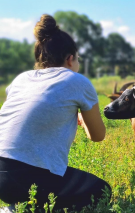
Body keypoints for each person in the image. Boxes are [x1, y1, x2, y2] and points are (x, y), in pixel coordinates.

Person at [0, 14, 110, 212]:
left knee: (28, 186)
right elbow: (98, 136)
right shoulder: (77, 81)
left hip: (1, 177)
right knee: (101, 191)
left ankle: (18, 207)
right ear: (70, 59)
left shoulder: (21, 79)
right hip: (29, 177)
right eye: (78, 59)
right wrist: (84, 121)